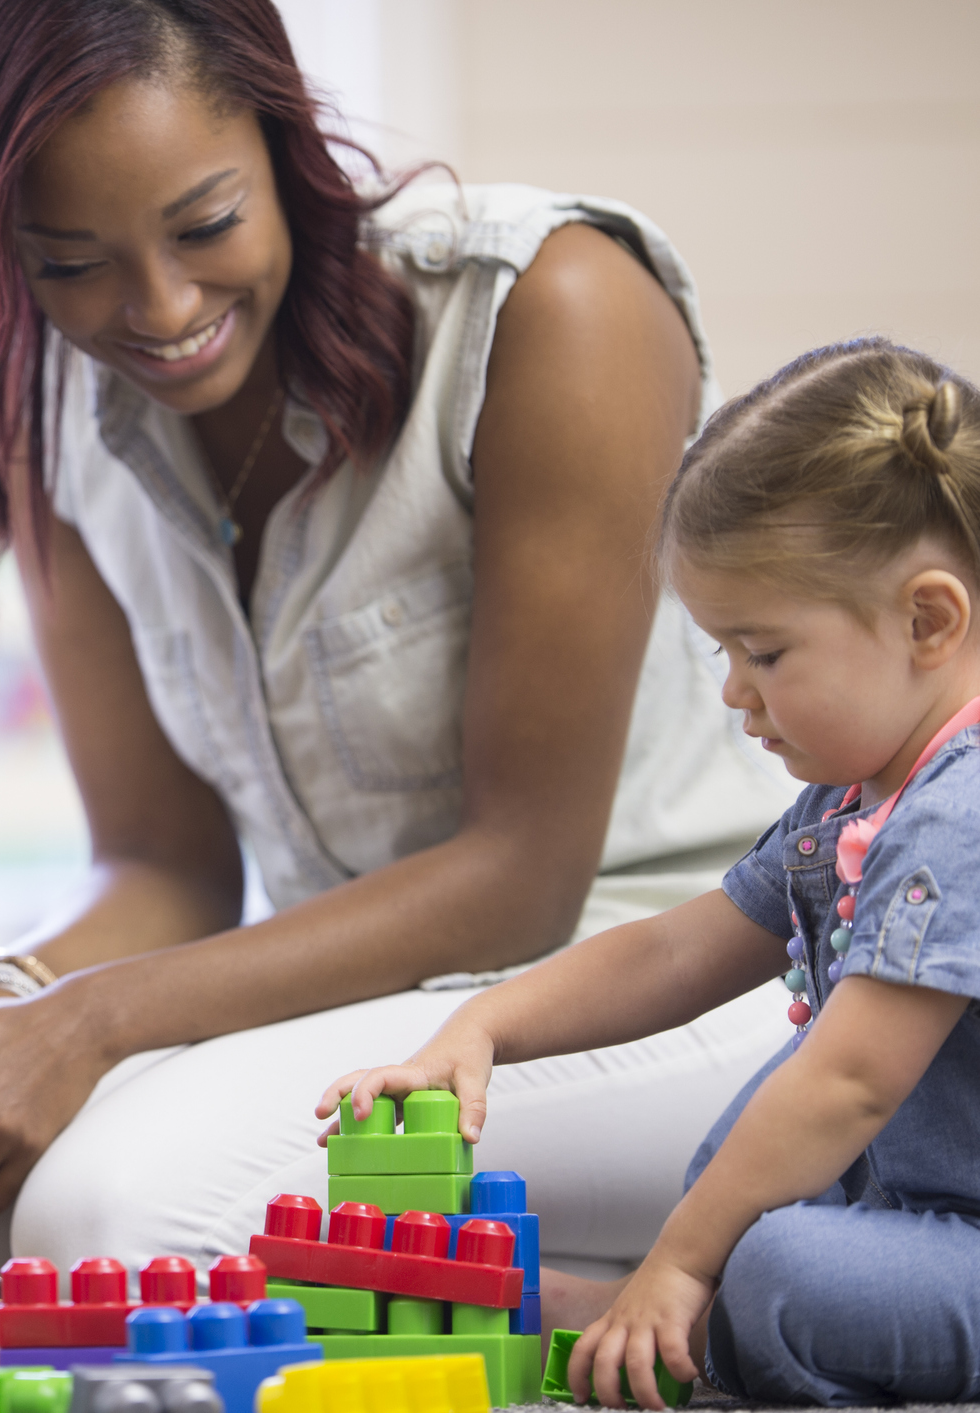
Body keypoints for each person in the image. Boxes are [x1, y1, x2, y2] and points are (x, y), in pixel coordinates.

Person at [0, 0, 797, 1282]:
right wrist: (9, 992)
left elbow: (518, 878)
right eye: (69, 262)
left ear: (282, 143)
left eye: (204, 225)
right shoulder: (53, 408)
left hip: (680, 980)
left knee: (105, 1219)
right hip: (375, 1020)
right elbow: (160, 865)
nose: (160, 307)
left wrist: (92, 1022)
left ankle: (656, 1310)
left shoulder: (547, 306)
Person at [323, 339, 980, 1408]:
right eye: (721, 653)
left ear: (925, 620)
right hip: (920, 1210)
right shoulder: (855, 796)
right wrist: (484, 1024)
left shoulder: (962, 810)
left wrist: (677, 1261)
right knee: (742, 1155)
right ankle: (671, 1314)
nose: (732, 692)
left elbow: (853, 1078)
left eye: (761, 653)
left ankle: (689, 1324)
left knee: (773, 1264)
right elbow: (679, 948)